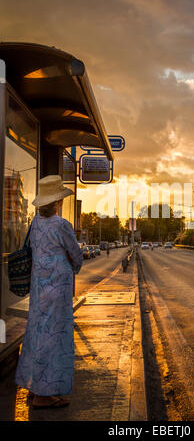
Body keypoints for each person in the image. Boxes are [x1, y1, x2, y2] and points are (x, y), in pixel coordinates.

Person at [15, 175, 83, 409]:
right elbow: (75, 253)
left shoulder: (36, 223)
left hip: (38, 282)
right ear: (57, 202)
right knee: (55, 336)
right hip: (58, 283)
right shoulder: (61, 224)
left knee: (36, 332)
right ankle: (45, 394)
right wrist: (74, 265)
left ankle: (34, 386)